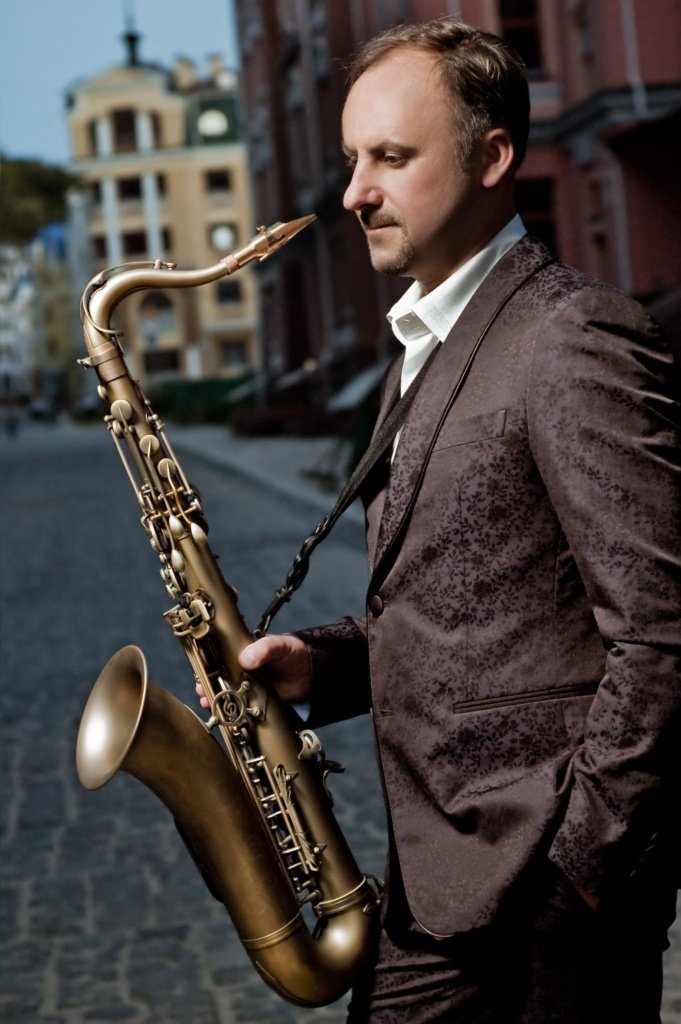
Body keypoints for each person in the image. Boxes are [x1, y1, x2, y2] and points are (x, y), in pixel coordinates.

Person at [200, 19, 681, 1023]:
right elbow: (480, 612)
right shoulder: (420, 350)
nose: (354, 193)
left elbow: (662, 632)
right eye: (351, 160)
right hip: (444, 882)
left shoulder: (570, 335)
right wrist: (321, 665)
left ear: (492, 156)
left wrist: (583, 870)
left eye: (390, 157)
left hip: (546, 893)